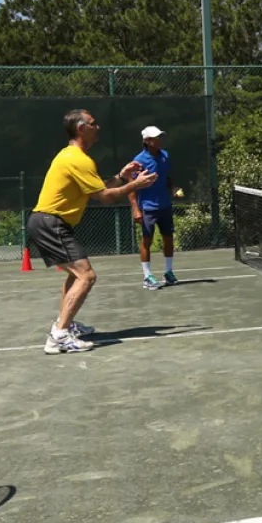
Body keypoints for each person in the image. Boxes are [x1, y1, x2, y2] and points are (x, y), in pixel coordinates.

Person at [29, 109, 159, 353]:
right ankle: (59, 336)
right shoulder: (77, 159)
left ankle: (64, 325)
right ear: (81, 129)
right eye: (93, 123)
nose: (97, 127)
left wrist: (122, 176)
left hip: (48, 222)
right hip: (50, 223)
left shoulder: (73, 157)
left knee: (75, 275)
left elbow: (99, 189)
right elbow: (105, 198)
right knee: (86, 276)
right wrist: (135, 185)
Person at [130, 126, 179, 290]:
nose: (159, 140)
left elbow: (167, 176)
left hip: (165, 206)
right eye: (155, 138)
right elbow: (132, 186)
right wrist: (136, 209)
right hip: (148, 208)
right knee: (147, 241)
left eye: (160, 137)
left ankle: (169, 272)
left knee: (168, 240)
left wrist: (172, 189)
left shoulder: (165, 156)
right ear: (147, 141)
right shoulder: (139, 161)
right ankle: (147, 276)